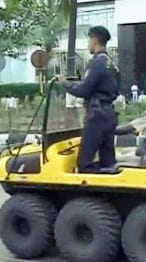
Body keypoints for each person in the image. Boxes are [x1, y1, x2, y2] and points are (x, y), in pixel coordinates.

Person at [60, 26, 119, 172]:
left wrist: (65, 83)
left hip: (96, 115)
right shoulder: (112, 63)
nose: (88, 44)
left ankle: (88, 195)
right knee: (108, 162)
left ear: (94, 40)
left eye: (89, 40)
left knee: (84, 163)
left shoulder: (96, 62)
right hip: (109, 114)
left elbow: (83, 89)